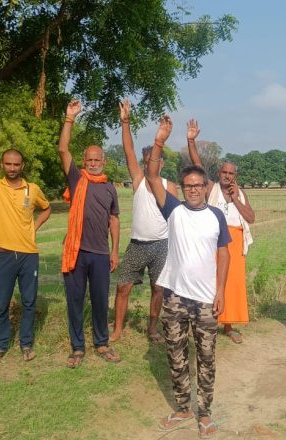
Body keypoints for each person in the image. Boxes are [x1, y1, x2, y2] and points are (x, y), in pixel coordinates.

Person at [147, 115, 230, 439]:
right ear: (182, 189)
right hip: (175, 298)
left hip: (207, 301)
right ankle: (183, 407)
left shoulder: (216, 216)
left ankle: (204, 413)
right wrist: (159, 141)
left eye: (198, 185)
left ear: (206, 187)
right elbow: (152, 176)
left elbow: (224, 254)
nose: (194, 190)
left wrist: (220, 291)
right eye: (189, 186)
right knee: (176, 354)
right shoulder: (174, 210)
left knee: (206, 358)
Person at [0, 107, 52, 364]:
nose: (12, 168)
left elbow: (47, 208)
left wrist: (34, 228)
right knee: (2, 303)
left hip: (29, 255)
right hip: (4, 255)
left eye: (16, 164)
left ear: (22, 166)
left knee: (29, 302)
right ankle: (0, 345)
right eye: (8, 164)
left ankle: (26, 344)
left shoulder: (33, 189)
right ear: (2, 165)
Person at [110, 99, 178, 344]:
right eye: (148, 160)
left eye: (155, 160)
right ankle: (118, 329)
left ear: (162, 163)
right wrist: (125, 122)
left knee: (158, 289)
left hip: (162, 245)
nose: (152, 163)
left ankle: (152, 329)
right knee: (123, 287)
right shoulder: (138, 180)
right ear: (144, 162)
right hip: (137, 244)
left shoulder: (170, 186)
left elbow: (176, 218)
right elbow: (128, 150)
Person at [59, 100, 121, 367]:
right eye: (90, 159)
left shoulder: (109, 187)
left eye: (97, 159)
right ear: (84, 161)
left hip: (100, 253)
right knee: (74, 300)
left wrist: (115, 250)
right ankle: (77, 347)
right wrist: (70, 118)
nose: (93, 163)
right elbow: (63, 149)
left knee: (100, 300)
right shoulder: (77, 179)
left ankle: (102, 342)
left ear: (103, 162)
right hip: (76, 251)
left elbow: (114, 219)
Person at [186, 118, 255, 344]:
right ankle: (207, 322)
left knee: (232, 285)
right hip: (213, 241)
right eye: (224, 172)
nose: (227, 176)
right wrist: (191, 141)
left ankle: (228, 325)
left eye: (231, 173)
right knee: (210, 281)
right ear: (219, 174)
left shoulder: (240, 193)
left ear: (235, 176)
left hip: (235, 243)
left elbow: (251, 218)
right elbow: (197, 165)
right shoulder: (211, 188)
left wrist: (236, 199)